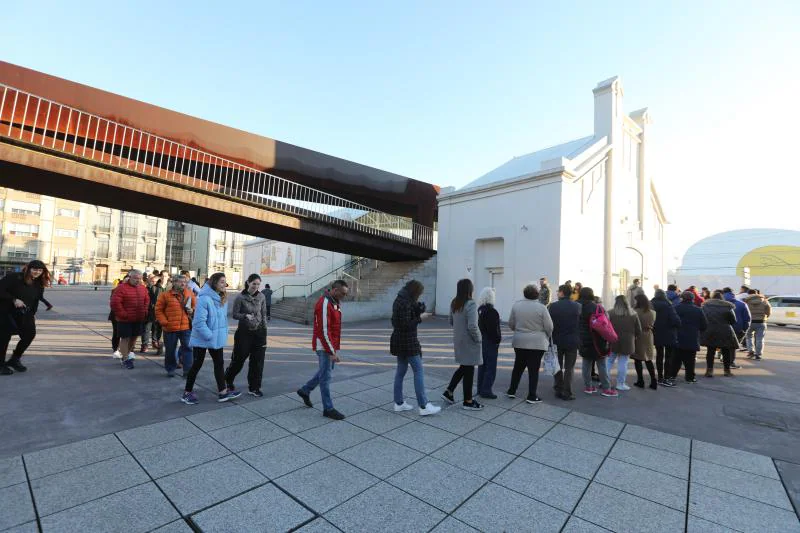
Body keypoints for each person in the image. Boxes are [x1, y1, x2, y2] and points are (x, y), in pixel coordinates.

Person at [182, 273, 240, 404]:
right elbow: (198, 322)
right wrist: (210, 336)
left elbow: (221, 320)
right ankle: (187, 392)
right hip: (203, 337)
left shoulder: (221, 298)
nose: (224, 284)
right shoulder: (204, 298)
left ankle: (222, 392)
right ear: (214, 283)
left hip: (215, 338)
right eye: (221, 282)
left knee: (219, 364)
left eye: (225, 282)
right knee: (197, 364)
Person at [296, 280, 349, 420]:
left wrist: (333, 349)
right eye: (343, 293)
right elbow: (323, 331)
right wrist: (331, 352)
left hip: (329, 345)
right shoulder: (325, 303)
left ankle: (305, 390)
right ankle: (328, 408)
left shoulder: (334, 302)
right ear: (335, 290)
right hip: (324, 346)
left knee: (324, 372)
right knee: (326, 377)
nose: (344, 296)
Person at [389, 280, 441, 415]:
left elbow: (397, 321)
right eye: (419, 293)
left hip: (399, 341)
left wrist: (419, 309)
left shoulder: (400, 299)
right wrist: (420, 318)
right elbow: (406, 324)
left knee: (400, 371)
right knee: (418, 371)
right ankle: (423, 406)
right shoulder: (405, 302)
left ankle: (398, 403)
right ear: (414, 292)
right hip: (408, 342)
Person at [0, 260, 51, 375]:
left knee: (29, 334)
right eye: (34, 269)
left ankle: (14, 359)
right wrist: (13, 299)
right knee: (3, 338)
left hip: (24, 313)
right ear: (28, 269)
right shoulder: (14, 277)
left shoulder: (38, 283)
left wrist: (33, 314)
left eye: (40, 270)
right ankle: (0, 365)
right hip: (5, 312)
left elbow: (35, 300)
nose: (37, 272)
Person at [506, 283, 553, 404]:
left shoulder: (516, 305)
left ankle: (512, 390)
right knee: (533, 369)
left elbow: (511, 323)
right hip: (537, 343)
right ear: (537, 294)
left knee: (518, 367)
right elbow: (549, 326)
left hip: (519, 341)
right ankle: (532, 395)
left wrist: (518, 330)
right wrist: (546, 335)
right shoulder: (541, 307)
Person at [442, 279, 483, 410]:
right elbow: (472, 326)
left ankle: (449, 391)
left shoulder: (455, 302)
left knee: (464, 367)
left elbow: (450, 321)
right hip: (470, 341)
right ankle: (468, 401)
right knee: (469, 369)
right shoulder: (471, 304)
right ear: (470, 289)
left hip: (458, 340)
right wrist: (479, 338)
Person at [225, 274, 268, 397]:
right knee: (238, 360)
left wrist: (264, 333)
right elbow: (234, 314)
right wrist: (244, 316)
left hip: (259, 333)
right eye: (254, 283)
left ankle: (254, 387)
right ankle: (227, 379)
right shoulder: (240, 297)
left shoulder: (262, 296)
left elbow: (264, 315)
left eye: (258, 284)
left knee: (257, 362)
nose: (256, 286)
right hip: (244, 333)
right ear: (248, 283)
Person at [577, 287, 615, 396]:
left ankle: (588, 387)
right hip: (597, 340)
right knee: (601, 365)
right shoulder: (597, 307)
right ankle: (606, 388)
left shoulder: (576, 306)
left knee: (586, 363)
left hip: (583, 340)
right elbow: (606, 324)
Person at [155, 274, 196, 378]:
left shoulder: (189, 293)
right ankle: (170, 368)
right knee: (170, 350)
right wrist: (165, 322)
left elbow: (195, 306)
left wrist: (192, 310)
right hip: (170, 328)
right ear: (174, 282)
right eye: (180, 282)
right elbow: (158, 310)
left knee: (188, 349)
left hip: (186, 327)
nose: (183, 284)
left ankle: (188, 371)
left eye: (185, 282)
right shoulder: (165, 295)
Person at [665, 291, 707, 386]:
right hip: (692, 337)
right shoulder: (698, 310)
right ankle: (690, 378)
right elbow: (704, 325)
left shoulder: (675, 308)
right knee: (690, 360)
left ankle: (672, 375)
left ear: (682, 298)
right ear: (692, 299)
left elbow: (670, 322)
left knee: (676, 358)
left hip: (677, 337)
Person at [110, 270, 150, 369]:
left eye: (140, 278)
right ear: (130, 277)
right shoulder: (121, 288)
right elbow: (115, 303)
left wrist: (144, 311)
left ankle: (127, 353)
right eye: (136, 278)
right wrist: (123, 314)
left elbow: (146, 300)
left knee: (134, 337)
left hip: (138, 318)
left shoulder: (142, 288)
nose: (138, 280)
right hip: (125, 319)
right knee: (125, 338)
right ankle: (125, 358)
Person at [548, 284, 581, 400]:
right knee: (569, 368)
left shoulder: (552, 306)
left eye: (558, 291)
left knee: (557, 366)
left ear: (562, 293)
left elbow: (548, 324)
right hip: (572, 341)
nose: (557, 293)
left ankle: (558, 388)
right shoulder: (577, 306)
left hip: (556, 340)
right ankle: (567, 392)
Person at [608, 295, 642, 391]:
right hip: (628, 341)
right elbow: (638, 330)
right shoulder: (633, 314)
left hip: (612, 340)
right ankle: (620, 383)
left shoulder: (610, 313)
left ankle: (604, 381)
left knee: (609, 361)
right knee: (623, 363)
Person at [701, 290, 738, 377]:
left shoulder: (705, 306)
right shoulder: (728, 307)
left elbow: (702, 319)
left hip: (710, 331)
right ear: (722, 298)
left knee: (710, 351)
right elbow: (733, 321)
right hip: (725, 331)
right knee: (726, 351)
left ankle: (709, 371)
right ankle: (727, 371)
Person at [651, 289, 681, 384]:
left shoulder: (650, 305)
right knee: (668, 357)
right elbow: (676, 320)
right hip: (669, 334)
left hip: (656, 333)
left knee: (659, 355)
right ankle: (666, 377)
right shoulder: (668, 305)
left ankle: (659, 376)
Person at [477, 287, 501, 399]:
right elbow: (493, 330)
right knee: (491, 367)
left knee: (482, 366)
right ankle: (486, 390)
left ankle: (480, 388)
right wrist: (497, 340)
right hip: (490, 342)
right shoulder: (492, 311)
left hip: (482, 340)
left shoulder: (480, 310)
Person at [632, 294, 657, 389]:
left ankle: (640, 380)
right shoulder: (653, 312)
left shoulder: (635, 312)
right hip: (649, 336)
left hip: (638, 336)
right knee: (648, 359)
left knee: (637, 359)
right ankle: (653, 380)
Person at [722, 287, 750, 368]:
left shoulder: (720, 303)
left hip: (721, 327)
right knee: (732, 346)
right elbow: (747, 318)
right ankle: (731, 363)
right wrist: (744, 329)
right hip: (737, 328)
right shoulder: (741, 304)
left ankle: (724, 360)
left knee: (723, 345)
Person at [744, 289, 771, 360]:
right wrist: (765, 317)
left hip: (750, 322)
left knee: (748, 337)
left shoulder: (746, 302)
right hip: (761, 322)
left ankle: (750, 351)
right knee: (760, 338)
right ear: (757, 294)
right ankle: (758, 354)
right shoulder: (765, 301)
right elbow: (768, 312)